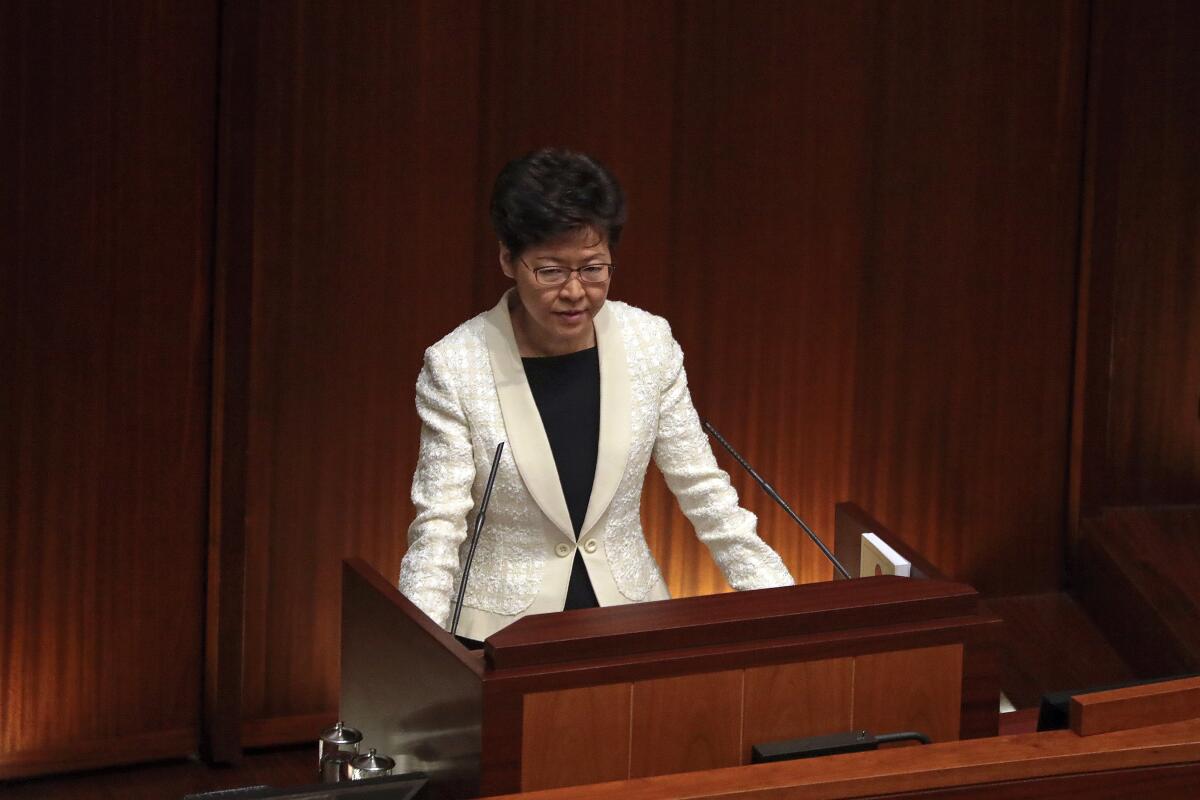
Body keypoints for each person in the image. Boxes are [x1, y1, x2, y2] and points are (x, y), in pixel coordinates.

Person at [399, 148, 793, 643]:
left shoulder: (649, 342)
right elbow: (438, 527)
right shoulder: (456, 364)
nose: (575, 291)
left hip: (628, 621)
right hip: (499, 638)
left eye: (593, 268)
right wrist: (418, 652)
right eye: (550, 271)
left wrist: (783, 603)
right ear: (507, 259)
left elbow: (704, 491)